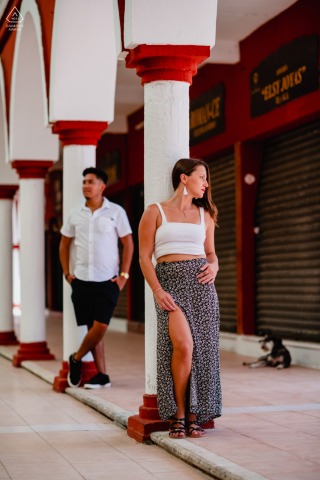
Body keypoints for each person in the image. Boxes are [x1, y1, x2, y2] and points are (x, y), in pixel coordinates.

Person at [139, 158, 222, 438]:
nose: (206, 183)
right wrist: (158, 290)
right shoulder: (155, 211)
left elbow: (211, 253)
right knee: (183, 346)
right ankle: (179, 413)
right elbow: (144, 257)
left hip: (202, 287)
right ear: (184, 178)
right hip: (170, 285)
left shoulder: (205, 215)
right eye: (202, 177)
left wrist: (214, 266)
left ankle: (195, 415)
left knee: (202, 351)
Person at [59, 167, 134, 389]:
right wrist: (67, 273)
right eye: (84, 181)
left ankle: (76, 358)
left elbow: (129, 243)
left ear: (102, 186)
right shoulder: (75, 213)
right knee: (93, 327)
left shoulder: (116, 212)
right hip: (81, 279)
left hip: (108, 281)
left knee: (100, 327)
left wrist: (124, 275)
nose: (85, 185)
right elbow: (64, 244)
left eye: (90, 182)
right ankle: (102, 375)